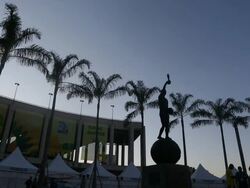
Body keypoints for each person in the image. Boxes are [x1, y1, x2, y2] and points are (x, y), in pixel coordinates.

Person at [157, 74, 173, 139]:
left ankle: (166, 136)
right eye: (163, 92)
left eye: (165, 92)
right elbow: (164, 88)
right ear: (162, 93)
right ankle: (159, 136)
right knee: (163, 125)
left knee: (167, 126)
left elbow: (166, 108)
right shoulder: (160, 98)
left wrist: (169, 110)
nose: (164, 92)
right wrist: (166, 83)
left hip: (166, 113)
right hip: (162, 113)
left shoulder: (166, 100)